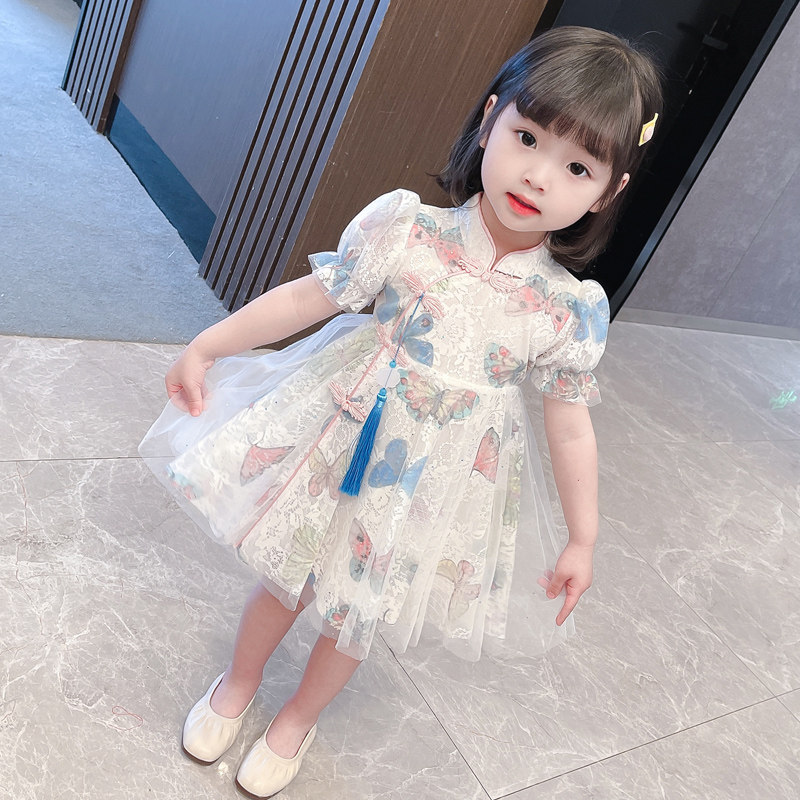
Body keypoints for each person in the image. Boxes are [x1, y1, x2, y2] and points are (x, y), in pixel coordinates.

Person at [139, 25, 662, 798]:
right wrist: (208, 345)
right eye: (527, 137)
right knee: (286, 578)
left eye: (577, 166)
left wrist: (583, 536)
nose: (538, 175)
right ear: (489, 119)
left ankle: (295, 722)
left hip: (433, 481)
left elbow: (570, 423)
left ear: (607, 192)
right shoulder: (408, 230)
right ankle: (236, 684)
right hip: (342, 436)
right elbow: (310, 298)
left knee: (357, 614)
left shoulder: (565, 308)